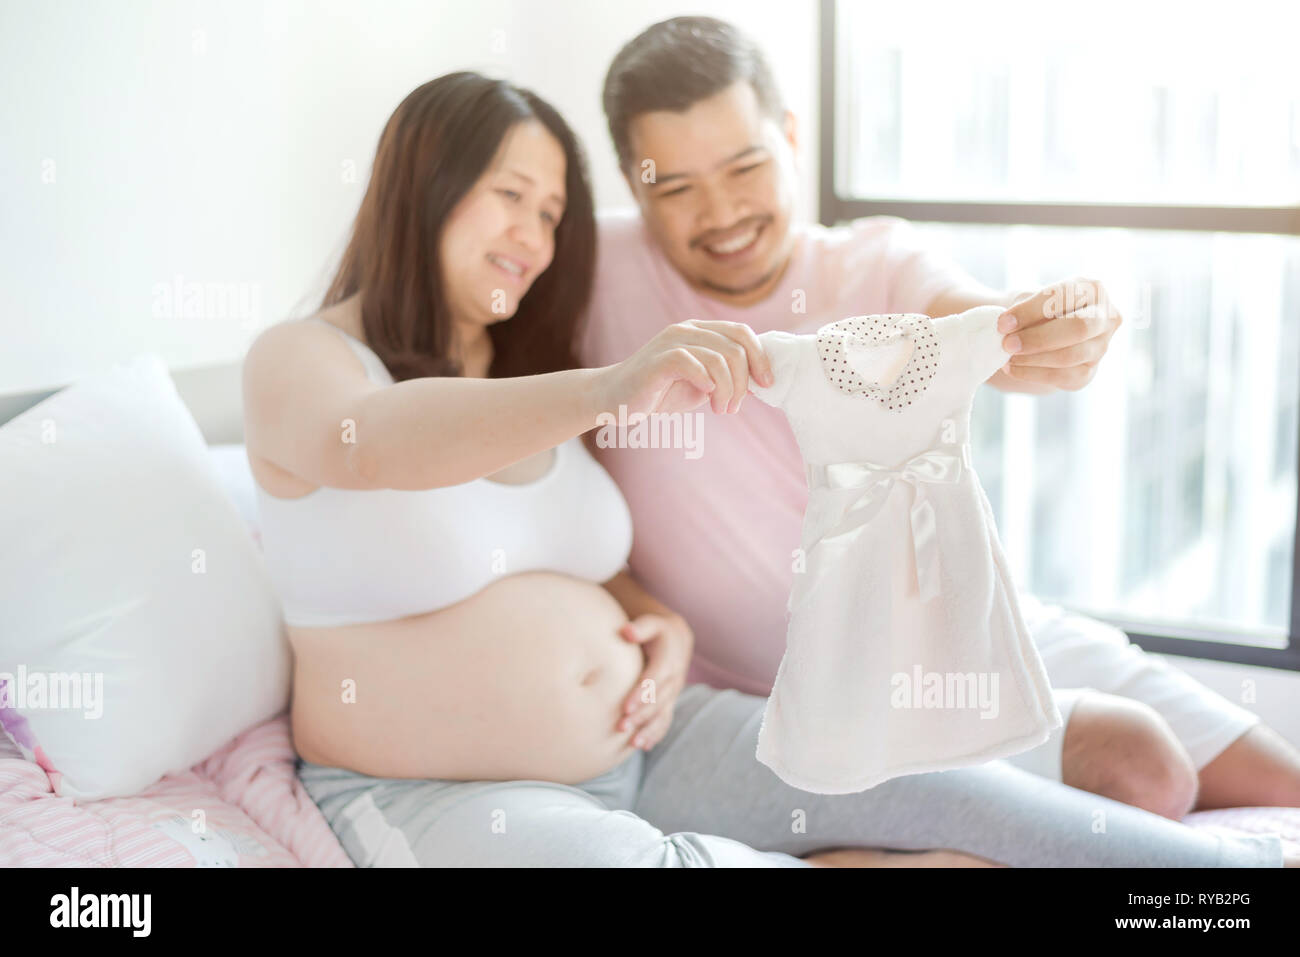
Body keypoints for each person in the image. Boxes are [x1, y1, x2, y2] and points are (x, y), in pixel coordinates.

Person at [241, 72, 1288, 867]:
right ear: (418, 187)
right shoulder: (302, 364)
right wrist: (616, 384)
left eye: (553, 213)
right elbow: (375, 445)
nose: (535, 236)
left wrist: (661, 621)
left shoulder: (523, 358)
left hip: (662, 733)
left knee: (1014, 821)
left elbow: (554, 563)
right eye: (510, 197)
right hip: (452, 794)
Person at [580, 15, 1300, 819]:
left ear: (789, 135)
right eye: (674, 186)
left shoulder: (878, 262)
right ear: (630, 179)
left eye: (744, 166)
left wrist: (1056, 331)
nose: (720, 213)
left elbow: (994, 330)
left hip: (969, 623)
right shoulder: (589, 274)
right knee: (1141, 767)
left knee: (1284, 786)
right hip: (805, 685)